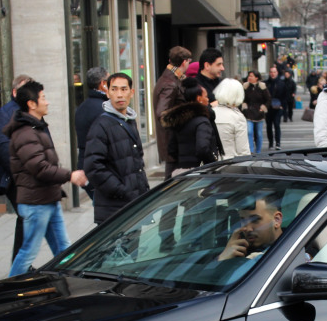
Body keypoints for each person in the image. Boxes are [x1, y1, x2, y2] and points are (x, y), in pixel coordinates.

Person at [6, 80, 88, 277]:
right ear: (31, 104)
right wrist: (70, 175)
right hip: (36, 204)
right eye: (43, 98)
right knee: (27, 254)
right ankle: (6, 291)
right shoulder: (25, 133)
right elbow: (40, 168)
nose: (47, 102)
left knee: (64, 251)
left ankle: (68, 286)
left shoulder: (36, 128)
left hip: (48, 199)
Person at [83, 72, 149, 224]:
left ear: (131, 93)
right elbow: (93, 167)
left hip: (132, 205)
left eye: (124, 89)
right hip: (113, 210)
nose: (119, 94)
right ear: (107, 92)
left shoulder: (129, 121)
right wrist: (121, 190)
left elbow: (136, 162)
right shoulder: (101, 125)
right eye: (114, 89)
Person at [0, 73, 31, 262]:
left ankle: (22, 263)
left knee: (32, 219)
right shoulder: (4, 114)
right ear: (15, 92)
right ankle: (20, 264)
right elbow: (2, 148)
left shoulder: (34, 112)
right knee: (27, 217)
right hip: (17, 178)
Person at [164, 79, 222, 173]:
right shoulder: (202, 121)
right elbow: (202, 148)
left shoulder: (179, 119)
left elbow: (171, 148)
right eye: (206, 97)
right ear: (199, 99)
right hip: (201, 171)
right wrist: (212, 161)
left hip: (182, 169)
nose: (208, 100)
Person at [152, 47, 190, 179]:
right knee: (171, 181)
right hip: (172, 141)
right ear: (184, 62)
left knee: (172, 180)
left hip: (172, 141)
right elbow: (162, 113)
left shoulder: (169, 78)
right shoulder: (170, 83)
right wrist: (186, 115)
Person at [217, 190, 283, 260]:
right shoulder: (239, 249)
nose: (248, 229)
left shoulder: (291, 252)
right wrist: (222, 258)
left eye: (255, 220)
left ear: (277, 220)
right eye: (243, 220)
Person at [74, 66, 109, 172]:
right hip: (100, 167)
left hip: (86, 164)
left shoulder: (82, 107)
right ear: (103, 84)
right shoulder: (104, 109)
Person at [211, 78, 250, 159]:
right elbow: (243, 151)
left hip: (210, 163)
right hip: (230, 163)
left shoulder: (210, 112)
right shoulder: (238, 117)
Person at [267, 62, 297, 150]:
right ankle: (271, 142)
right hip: (268, 108)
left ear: (277, 73)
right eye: (271, 72)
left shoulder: (281, 83)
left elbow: (285, 96)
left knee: (276, 124)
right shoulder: (266, 83)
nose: (273, 74)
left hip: (278, 107)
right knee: (269, 125)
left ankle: (278, 143)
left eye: (274, 72)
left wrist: (283, 108)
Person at [241, 70, 270, 153]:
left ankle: (258, 151)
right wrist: (244, 107)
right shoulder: (245, 87)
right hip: (248, 113)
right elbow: (242, 99)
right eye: (249, 76)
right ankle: (251, 150)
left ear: (256, 78)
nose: (249, 78)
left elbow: (268, 99)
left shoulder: (262, 87)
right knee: (249, 132)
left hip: (259, 114)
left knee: (259, 134)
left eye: (251, 76)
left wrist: (263, 108)